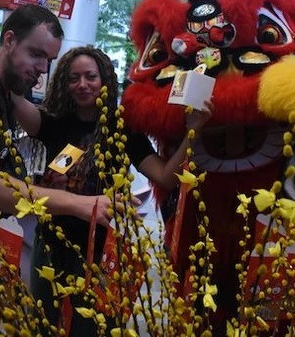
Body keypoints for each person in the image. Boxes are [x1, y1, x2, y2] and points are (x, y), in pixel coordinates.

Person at [0, 5, 119, 328]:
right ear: (9, 40)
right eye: (35, 54)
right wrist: (80, 204)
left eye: (48, 60)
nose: (42, 68)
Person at [11, 46, 213, 334]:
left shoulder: (122, 128)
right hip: (50, 243)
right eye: (73, 78)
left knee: (90, 328)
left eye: (90, 76)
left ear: (105, 79)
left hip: (100, 252)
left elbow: (166, 177)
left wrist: (194, 131)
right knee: (43, 325)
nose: (82, 85)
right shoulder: (55, 122)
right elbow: (16, 101)